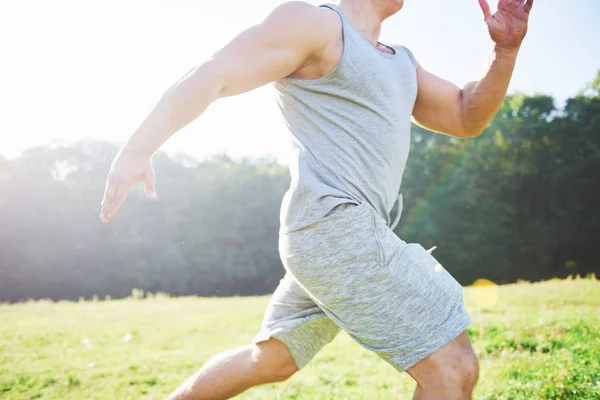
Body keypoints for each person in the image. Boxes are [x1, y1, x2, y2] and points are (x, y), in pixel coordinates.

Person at [100, 0, 533, 398]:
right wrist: (138, 149)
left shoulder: (400, 60)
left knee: (272, 359)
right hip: (336, 226)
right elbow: (217, 72)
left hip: (338, 233)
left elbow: (465, 114)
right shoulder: (316, 25)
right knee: (452, 367)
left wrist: (506, 51)